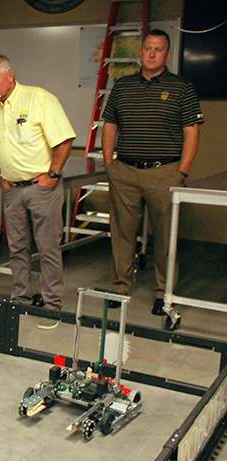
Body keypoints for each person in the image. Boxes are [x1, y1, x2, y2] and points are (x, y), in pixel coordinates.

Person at [102, 29, 204, 315]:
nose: (151, 53)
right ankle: (121, 286)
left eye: (158, 49)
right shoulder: (122, 86)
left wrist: (181, 172)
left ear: (167, 54)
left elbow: (191, 132)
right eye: (147, 48)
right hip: (124, 171)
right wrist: (109, 164)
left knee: (164, 235)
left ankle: (163, 291)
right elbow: (110, 125)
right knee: (122, 232)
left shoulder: (182, 88)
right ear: (140, 51)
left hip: (165, 172)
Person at [0, 54, 75, 329]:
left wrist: (53, 174)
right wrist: (3, 174)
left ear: (9, 76)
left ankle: (52, 306)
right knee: (18, 248)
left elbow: (65, 139)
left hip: (41, 188)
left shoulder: (39, 99)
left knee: (47, 248)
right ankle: (19, 298)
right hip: (12, 190)